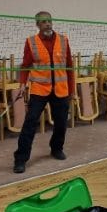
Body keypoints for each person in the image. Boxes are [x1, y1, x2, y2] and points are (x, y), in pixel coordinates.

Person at [13, 11, 74, 174]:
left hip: (60, 90)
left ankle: (56, 148)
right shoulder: (31, 42)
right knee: (30, 123)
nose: (47, 24)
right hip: (39, 90)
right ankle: (20, 159)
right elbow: (25, 66)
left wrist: (72, 90)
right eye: (43, 22)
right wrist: (22, 84)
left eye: (49, 21)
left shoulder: (63, 40)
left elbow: (70, 67)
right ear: (37, 25)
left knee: (61, 123)